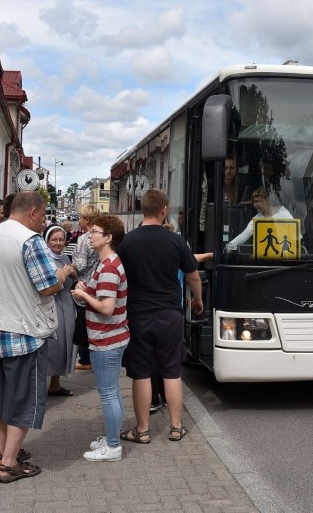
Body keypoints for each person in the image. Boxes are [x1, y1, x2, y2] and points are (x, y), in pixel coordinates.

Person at [0, 191, 68, 483]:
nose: (44, 221)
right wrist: (61, 276)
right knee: (23, 399)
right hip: (24, 331)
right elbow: (47, 286)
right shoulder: (29, 241)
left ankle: (3, 452)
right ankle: (9, 464)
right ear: (33, 212)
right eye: (44, 214)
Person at [116, 189, 203, 443]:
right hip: (169, 315)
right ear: (164, 210)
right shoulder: (175, 241)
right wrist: (197, 300)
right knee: (172, 372)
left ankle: (142, 431)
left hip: (138, 316)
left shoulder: (128, 242)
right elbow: (193, 275)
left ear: (143, 209)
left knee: (141, 373)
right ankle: (176, 427)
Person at [71, 215, 130, 461]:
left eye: (95, 231)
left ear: (108, 238)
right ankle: (112, 438)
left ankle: (114, 446)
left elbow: (106, 308)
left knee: (108, 393)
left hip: (106, 339)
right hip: (111, 337)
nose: (90, 235)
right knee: (112, 391)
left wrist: (84, 297)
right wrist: (88, 290)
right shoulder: (109, 263)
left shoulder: (107, 268)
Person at [43, 225, 78, 396]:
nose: (58, 243)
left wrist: (73, 275)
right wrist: (63, 274)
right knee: (52, 346)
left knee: (65, 344)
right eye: (54, 239)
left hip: (67, 304)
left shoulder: (65, 257)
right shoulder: (45, 259)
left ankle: (55, 384)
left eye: (61, 239)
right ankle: (39, 385)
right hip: (52, 304)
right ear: (47, 241)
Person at [72, 204, 103, 371]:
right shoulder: (102, 236)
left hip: (84, 286)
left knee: (83, 322)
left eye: (81, 217)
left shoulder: (84, 239)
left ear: (88, 219)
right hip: (99, 284)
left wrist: (70, 270)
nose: (79, 220)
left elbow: (81, 264)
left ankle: (85, 359)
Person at [225, 186, 293, 251]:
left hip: (285, 256)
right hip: (264, 260)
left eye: (257, 201)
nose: (254, 205)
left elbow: (295, 234)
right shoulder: (256, 219)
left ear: (266, 200)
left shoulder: (282, 212)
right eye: (254, 202)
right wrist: (228, 247)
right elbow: (244, 235)